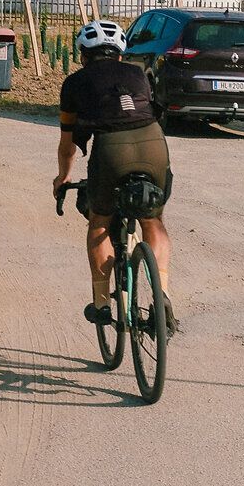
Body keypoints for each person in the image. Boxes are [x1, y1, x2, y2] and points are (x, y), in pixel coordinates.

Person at [54, 19, 174, 332]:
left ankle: (102, 303)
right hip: (153, 143)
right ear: (120, 54)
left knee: (100, 222)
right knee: (153, 221)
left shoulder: (74, 83)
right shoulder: (138, 73)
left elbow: (67, 145)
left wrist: (62, 178)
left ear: (83, 55)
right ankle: (160, 292)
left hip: (111, 150)